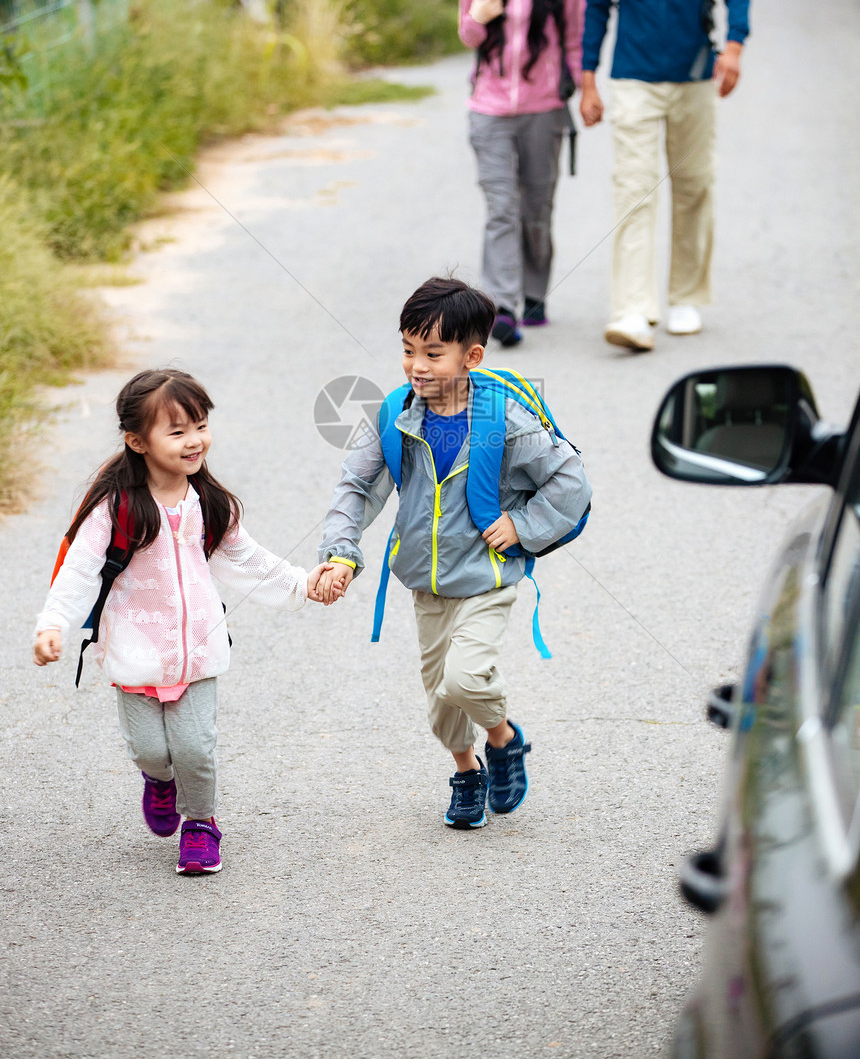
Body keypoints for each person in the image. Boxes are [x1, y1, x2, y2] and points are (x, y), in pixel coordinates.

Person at [33, 368, 338, 875]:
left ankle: (201, 824)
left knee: (195, 748)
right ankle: (160, 781)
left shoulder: (209, 504)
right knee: (151, 750)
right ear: (137, 441)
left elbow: (247, 558)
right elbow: (80, 571)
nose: (195, 441)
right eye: (176, 431)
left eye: (200, 425)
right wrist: (54, 624)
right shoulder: (116, 508)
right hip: (135, 651)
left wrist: (302, 582)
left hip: (197, 649)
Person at [315, 277, 592, 830]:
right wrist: (341, 553)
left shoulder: (504, 420)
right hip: (426, 583)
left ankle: (504, 739)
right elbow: (358, 487)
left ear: (472, 356)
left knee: (466, 679)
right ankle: (467, 771)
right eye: (407, 349)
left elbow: (570, 478)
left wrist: (523, 524)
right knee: (440, 703)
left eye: (433, 353)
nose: (417, 365)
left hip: (488, 576)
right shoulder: (396, 414)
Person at [580, 0, 750, 352]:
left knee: (694, 185)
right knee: (633, 190)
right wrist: (588, 77)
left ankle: (684, 296)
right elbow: (597, 3)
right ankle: (632, 310)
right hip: (632, 73)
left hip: (695, 73)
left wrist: (734, 46)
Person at [459, 0, 584, 348]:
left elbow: (574, 37)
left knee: (536, 209)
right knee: (501, 208)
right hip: (488, 108)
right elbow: (467, 36)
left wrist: (580, 89)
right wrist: (480, 17)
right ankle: (502, 307)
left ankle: (534, 294)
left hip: (543, 107)